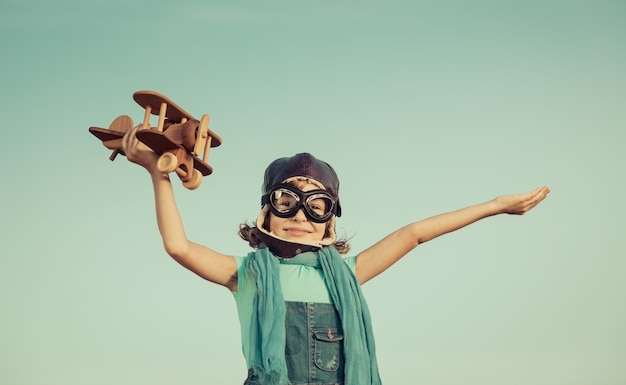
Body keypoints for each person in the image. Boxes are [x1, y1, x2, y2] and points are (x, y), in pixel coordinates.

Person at [121, 127, 550, 385]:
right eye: (288, 201)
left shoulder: (347, 272)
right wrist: (155, 174)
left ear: (331, 221)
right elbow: (178, 246)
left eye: (318, 205)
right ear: (267, 210)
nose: (301, 216)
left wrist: (494, 206)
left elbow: (416, 233)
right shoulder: (248, 274)